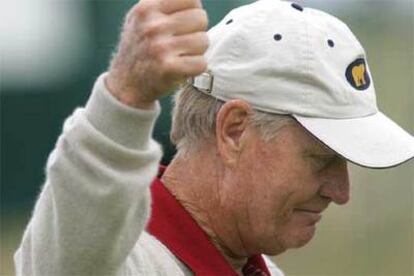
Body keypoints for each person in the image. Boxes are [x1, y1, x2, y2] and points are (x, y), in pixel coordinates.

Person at [15, 0, 414, 275]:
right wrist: (125, 95)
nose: (341, 191)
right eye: (320, 157)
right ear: (234, 130)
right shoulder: (120, 264)